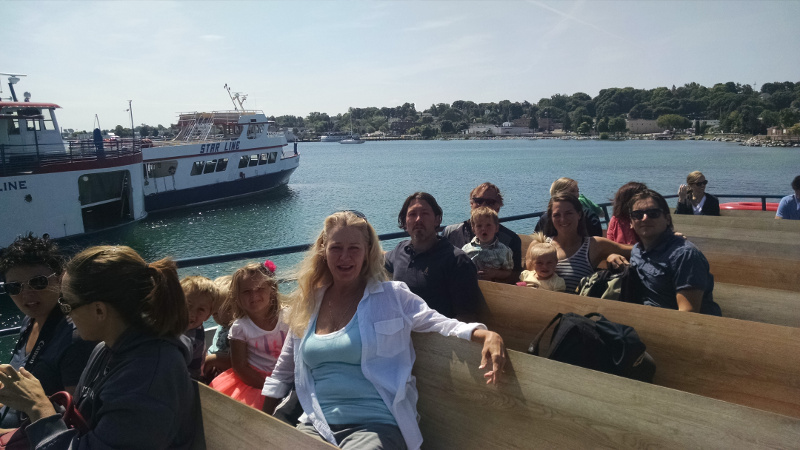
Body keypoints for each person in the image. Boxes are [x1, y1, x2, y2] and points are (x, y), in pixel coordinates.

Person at [261, 211, 506, 450]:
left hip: (375, 426)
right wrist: (261, 425)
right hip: (317, 424)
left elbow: (440, 323)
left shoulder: (392, 296)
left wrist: (486, 334)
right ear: (324, 251)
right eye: (336, 248)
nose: (345, 257)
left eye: (354, 248)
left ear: (367, 252)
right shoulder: (309, 303)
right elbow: (283, 372)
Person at [0, 245, 202, 448]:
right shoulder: (106, 349)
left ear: (99, 311)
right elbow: (81, 418)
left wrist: (38, 406)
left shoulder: (147, 380)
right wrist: (33, 398)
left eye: (67, 304)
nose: (67, 314)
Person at [0, 234, 96, 428]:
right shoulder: (30, 321)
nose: (27, 294)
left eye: (38, 282)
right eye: (14, 287)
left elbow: (73, 421)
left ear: (60, 278)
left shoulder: (75, 337)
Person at [385, 192, 484, 321]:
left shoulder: (457, 261)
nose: (418, 219)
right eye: (412, 214)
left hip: (436, 332)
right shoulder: (400, 250)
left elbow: (466, 317)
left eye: (425, 213)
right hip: (400, 329)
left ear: (437, 220)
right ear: (405, 222)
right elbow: (377, 259)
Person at [629, 189, 722, 315]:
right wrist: (612, 257)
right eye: (637, 215)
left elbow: (688, 314)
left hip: (672, 322)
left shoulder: (685, 255)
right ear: (631, 222)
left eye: (653, 213)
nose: (645, 219)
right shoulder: (637, 251)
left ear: (667, 219)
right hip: (643, 317)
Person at [210, 260, 288, 409]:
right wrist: (269, 387)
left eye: (260, 288)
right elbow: (240, 367)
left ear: (272, 290)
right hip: (255, 381)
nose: (254, 295)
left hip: (287, 375)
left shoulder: (288, 317)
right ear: (237, 296)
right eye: (246, 291)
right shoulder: (240, 328)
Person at [544, 193, 632, 293]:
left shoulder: (593, 245)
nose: (563, 219)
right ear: (551, 217)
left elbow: (635, 250)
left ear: (579, 214)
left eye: (568, 213)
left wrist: (610, 256)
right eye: (556, 215)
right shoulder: (541, 245)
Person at [442, 183, 523, 283]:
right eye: (479, 201)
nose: (483, 205)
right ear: (471, 204)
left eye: (490, 202)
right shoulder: (450, 233)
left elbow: (516, 276)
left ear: (498, 208)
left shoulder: (511, 240)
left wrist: (495, 275)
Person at [534, 178, 603, 237]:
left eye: (577, 191)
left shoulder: (589, 215)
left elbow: (596, 239)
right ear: (558, 193)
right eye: (572, 191)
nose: (577, 194)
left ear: (579, 215)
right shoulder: (545, 219)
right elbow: (537, 240)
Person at [180, 275, 218, 380]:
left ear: (208, 316)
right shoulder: (170, 323)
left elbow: (194, 370)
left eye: (201, 309)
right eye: (188, 305)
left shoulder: (196, 338)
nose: (192, 313)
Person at [460, 207, 514, 274]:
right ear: (473, 229)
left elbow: (509, 272)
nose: (483, 228)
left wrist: (495, 273)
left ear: (496, 228)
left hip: (493, 280)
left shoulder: (504, 250)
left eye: (488, 225)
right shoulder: (466, 249)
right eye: (479, 226)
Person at [205, 275, 234, 381]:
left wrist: (211, 360)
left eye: (228, 309)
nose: (213, 314)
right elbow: (214, 347)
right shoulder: (223, 326)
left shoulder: (239, 330)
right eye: (214, 312)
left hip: (229, 376)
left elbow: (237, 361)